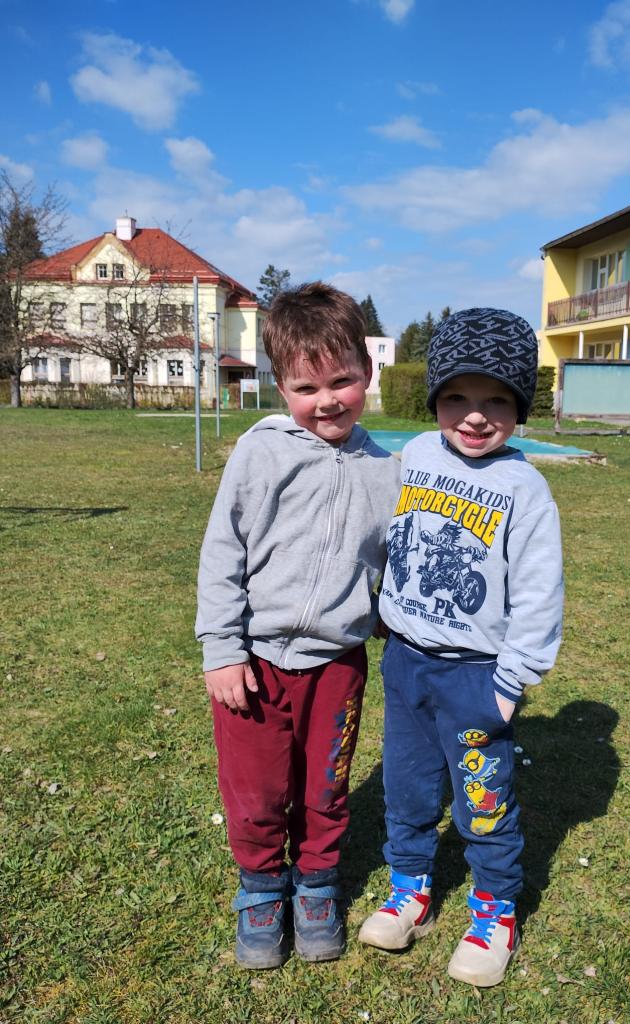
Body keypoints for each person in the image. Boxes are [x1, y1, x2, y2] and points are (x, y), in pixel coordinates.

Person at [196, 282, 401, 969]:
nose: (326, 401)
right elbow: (223, 551)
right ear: (280, 386)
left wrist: (388, 612)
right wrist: (222, 649)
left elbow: (391, 560)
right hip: (253, 663)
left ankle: (316, 886)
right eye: (306, 387)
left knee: (324, 787)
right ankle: (261, 888)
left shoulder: (388, 471)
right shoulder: (261, 452)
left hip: (337, 665)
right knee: (255, 794)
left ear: (366, 372)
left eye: (342, 381)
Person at [358, 308, 564, 988]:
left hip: (475, 677)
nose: (475, 416)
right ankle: (409, 888)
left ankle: (493, 910)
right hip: (406, 664)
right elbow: (395, 534)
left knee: (483, 800)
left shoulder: (524, 489)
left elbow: (538, 592)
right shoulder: (417, 455)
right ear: (435, 400)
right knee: (407, 785)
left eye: (496, 401)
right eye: (457, 398)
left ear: (519, 407)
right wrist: (385, 603)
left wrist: (510, 683)